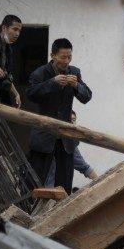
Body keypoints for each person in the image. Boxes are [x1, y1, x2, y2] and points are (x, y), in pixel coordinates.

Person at [27, 39, 92, 194]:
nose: (66, 61)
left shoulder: (74, 72)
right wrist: (52, 82)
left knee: (64, 185)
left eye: (69, 57)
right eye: (63, 57)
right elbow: (31, 95)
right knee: (37, 182)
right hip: (44, 136)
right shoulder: (40, 73)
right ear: (53, 55)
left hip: (65, 138)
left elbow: (87, 96)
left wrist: (76, 86)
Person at [44, 111, 98, 188]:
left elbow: (84, 167)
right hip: (47, 188)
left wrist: (101, 182)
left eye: (74, 120)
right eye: (69, 120)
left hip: (54, 190)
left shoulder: (69, 144)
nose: (72, 124)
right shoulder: (52, 141)